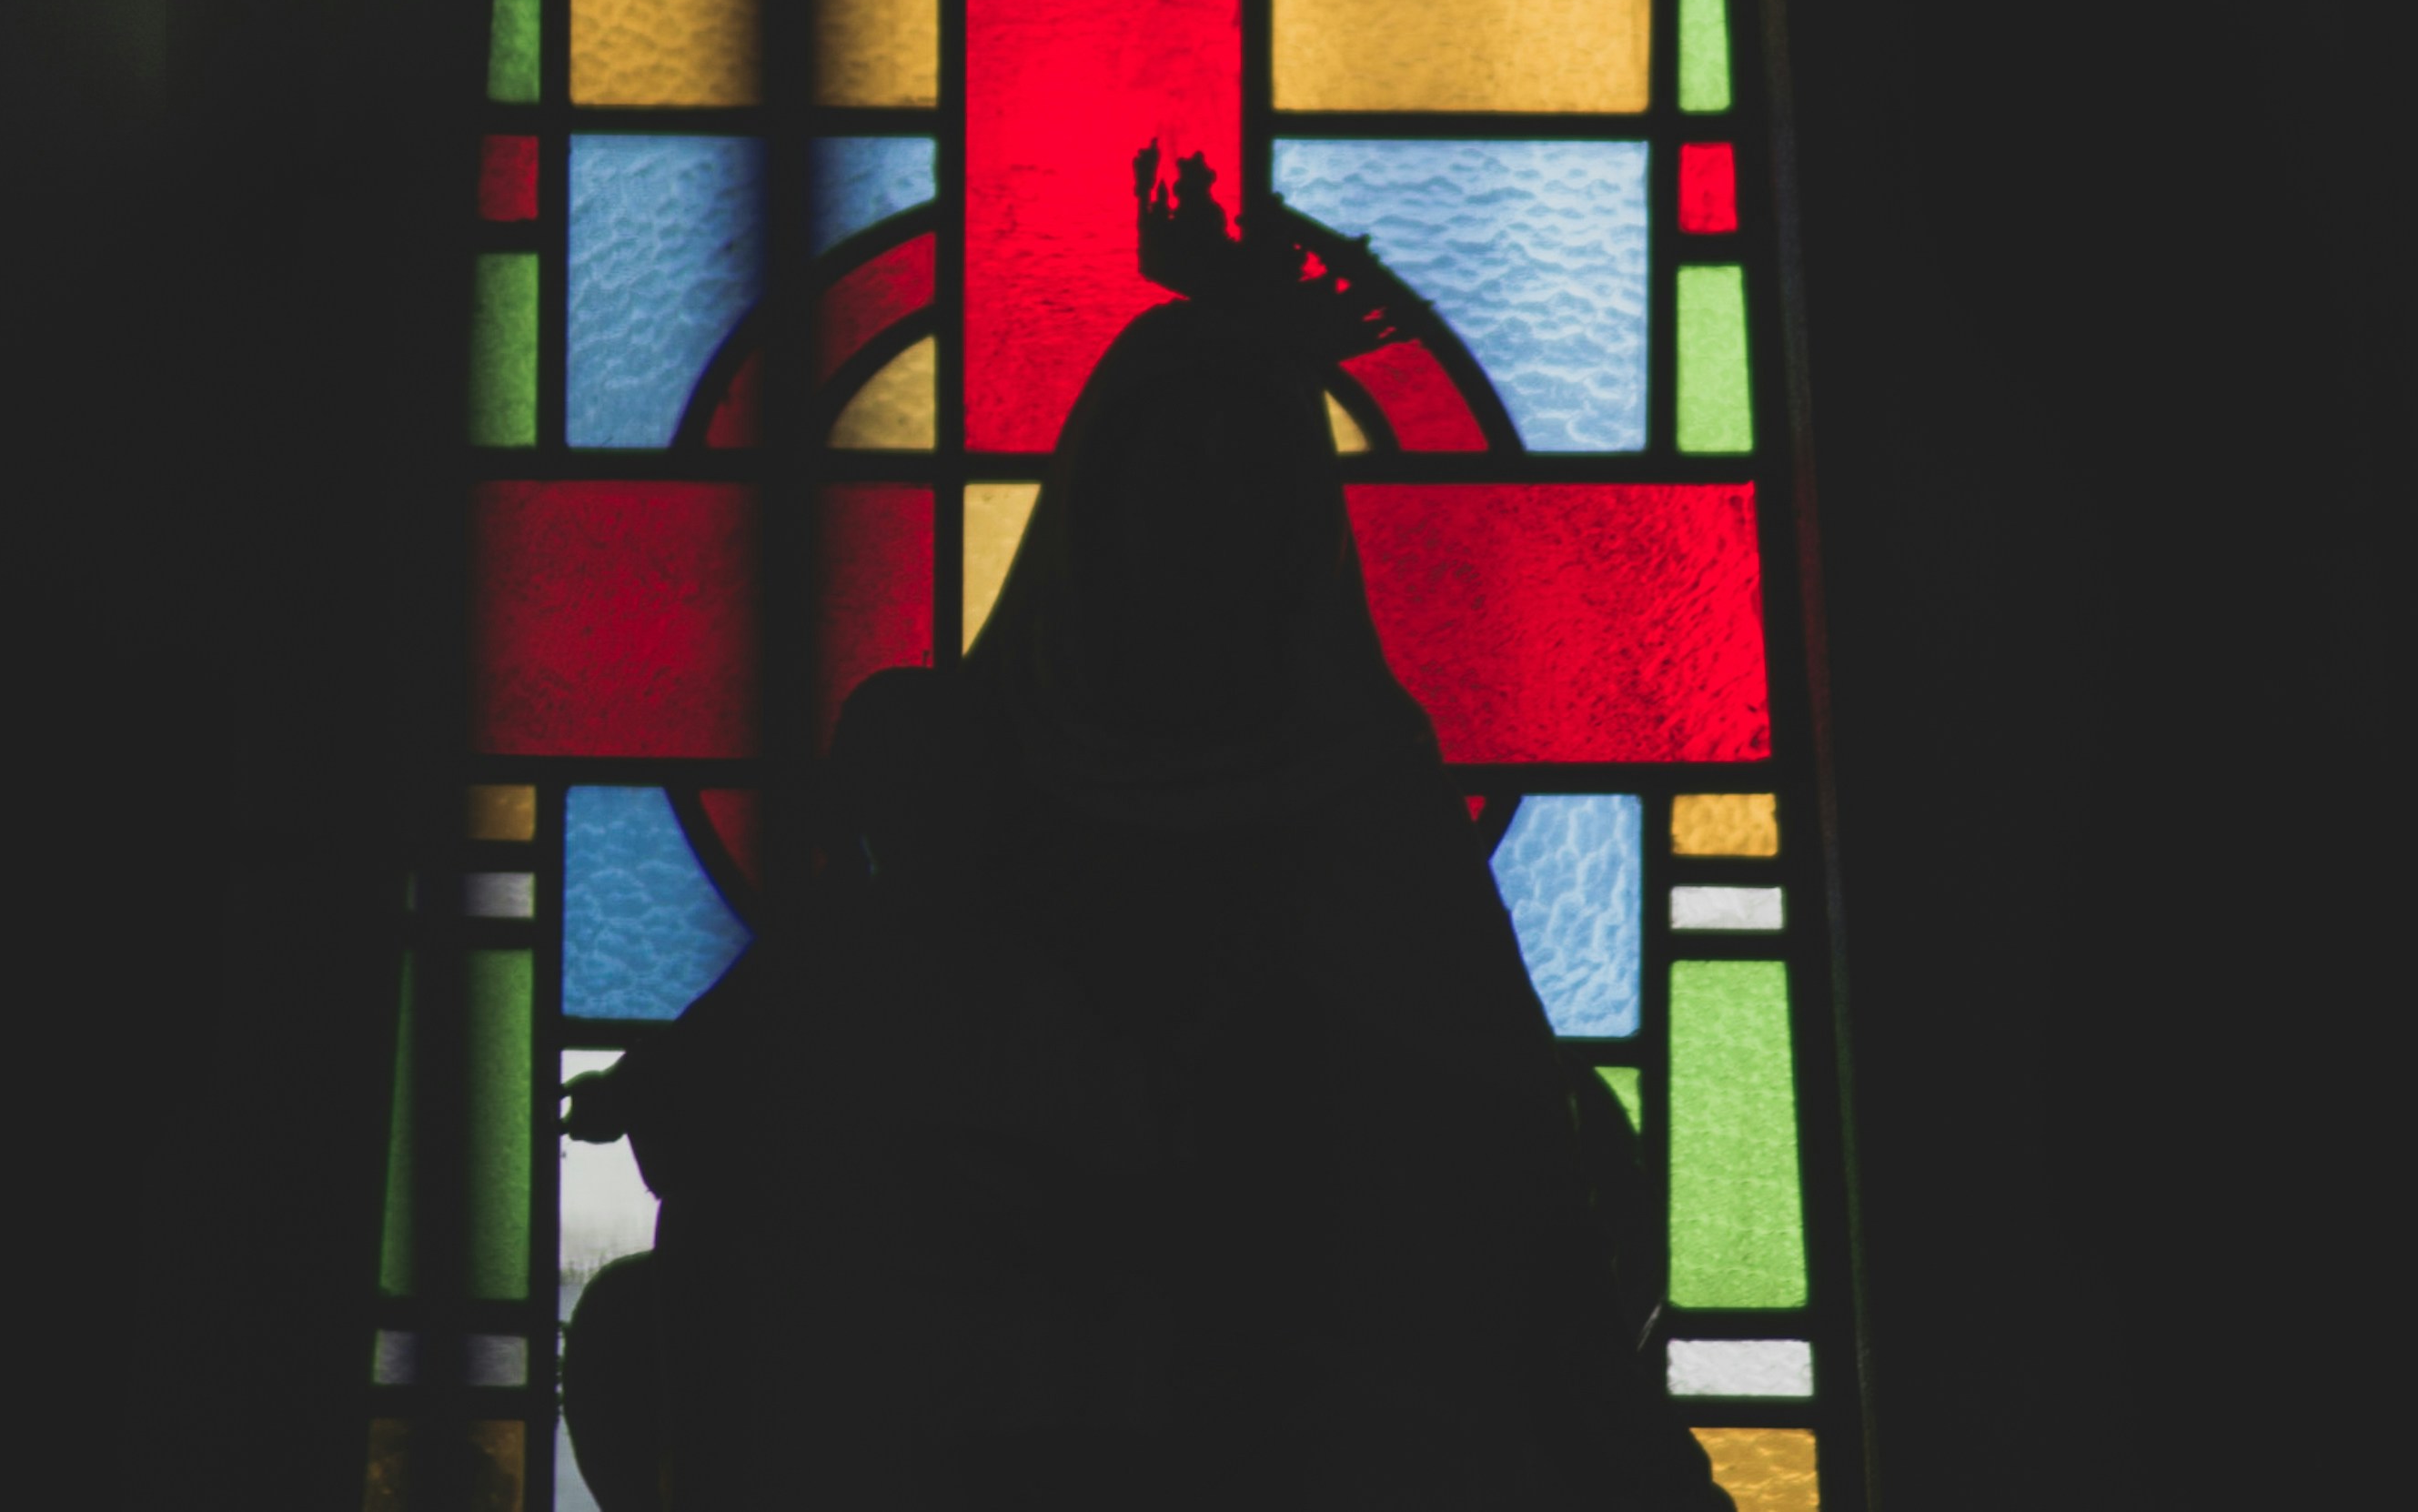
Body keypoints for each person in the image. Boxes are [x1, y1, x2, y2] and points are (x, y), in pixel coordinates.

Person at [559, 157, 1725, 1511]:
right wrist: (707, 1069)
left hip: (1283, 1343)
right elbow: (847, 976)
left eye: (1246, 496)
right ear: (1102, 506)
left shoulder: (1359, 784)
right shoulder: (950, 750)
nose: (1204, 537)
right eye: (1179, 486)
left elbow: (1494, 1123)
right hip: (994, 1330)